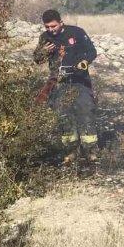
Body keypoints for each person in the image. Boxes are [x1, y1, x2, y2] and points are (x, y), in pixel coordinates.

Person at [33, 9, 99, 163]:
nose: (51, 30)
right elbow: (37, 59)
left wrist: (84, 62)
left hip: (80, 80)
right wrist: (42, 52)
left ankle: (90, 151)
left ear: (61, 22)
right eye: (47, 27)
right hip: (58, 82)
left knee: (85, 112)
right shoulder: (45, 38)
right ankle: (70, 152)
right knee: (63, 115)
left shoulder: (76, 33)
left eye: (53, 26)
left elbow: (92, 51)